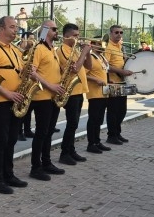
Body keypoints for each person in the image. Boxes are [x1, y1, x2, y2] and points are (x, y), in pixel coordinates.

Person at [0, 15, 28, 194]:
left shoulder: (16, 50)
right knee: (0, 141)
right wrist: (8, 93)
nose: (16, 29)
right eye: (12, 27)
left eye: (16, 27)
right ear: (0, 28)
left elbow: (18, 72)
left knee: (11, 140)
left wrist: (29, 71)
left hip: (16, 100)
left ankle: (8, 174)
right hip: (1, 102)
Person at [28, 19, 66, 181]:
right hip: (42, 96)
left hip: (53, 96)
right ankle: (36, 167)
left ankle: (46, 162)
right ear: (45, 30)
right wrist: (51, 85)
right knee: (41, 133)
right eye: (54, 29)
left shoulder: (53, 49)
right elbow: (32, 72)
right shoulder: (38, 48)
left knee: (49, 132)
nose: (57, 32)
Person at [57, 23, 92, 165]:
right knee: (72, 123)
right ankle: (64, 153)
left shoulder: (75, 50)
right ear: (66, 36)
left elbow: (89, 66)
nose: (78, 38)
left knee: (75, 124)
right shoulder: (62, 50)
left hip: (78, 91)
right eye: (75, 36)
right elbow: (75, 69)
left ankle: (71, 150)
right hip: (70, 92)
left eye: (78, 35)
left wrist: (87, 53)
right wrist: (84, 52)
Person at [105, 25, 134, 145]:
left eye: (121, 32)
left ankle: (117, 133)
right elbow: (105, 65)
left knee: (122, 110)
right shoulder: (108, 47)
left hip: (122, 81)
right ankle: (111, 135)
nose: (119, 34)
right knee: (113, 111)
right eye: (116, 32)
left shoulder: (120, 47)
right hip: (113, 83)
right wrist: (121, 71)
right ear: (111, 33)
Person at [85, 45, 112, 154]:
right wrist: (95, 79)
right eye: (99, 45)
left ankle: (97, 141)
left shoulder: (101, 58)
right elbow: (84, 74)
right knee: (93, 119)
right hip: (94, 94)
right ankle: (91, 144)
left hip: (103, 93)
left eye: (103, 45)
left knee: (99, 120)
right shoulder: (90, 57)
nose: (102, 47)